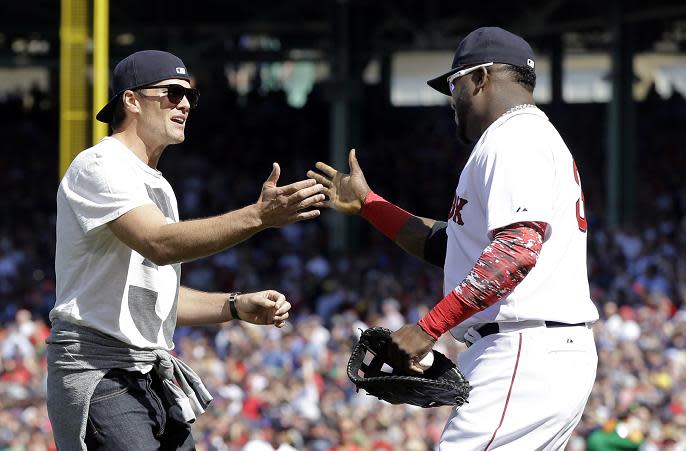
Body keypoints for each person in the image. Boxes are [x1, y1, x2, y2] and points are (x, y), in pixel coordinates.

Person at [308, 27, 599, 449]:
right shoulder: (523, 139)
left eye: (454, 83)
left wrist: (428, 328)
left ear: (481, 78)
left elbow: (516, 252)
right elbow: (449, 247)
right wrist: (371, 205)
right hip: (534, 349)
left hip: (523, 348)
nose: (452, 98)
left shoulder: (514, 138)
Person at [47, 50, 325, 450]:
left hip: (147, 375)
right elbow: (159, 244)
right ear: (131, 100)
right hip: (101, 371)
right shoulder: (99, 165)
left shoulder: (158, 186)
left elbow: (157, 298)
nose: (184, 105)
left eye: (190, 97)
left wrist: (234, 306)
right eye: (172, 93)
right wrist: (259, 217)